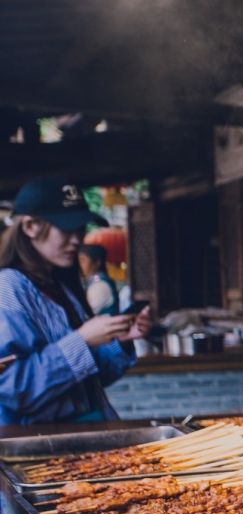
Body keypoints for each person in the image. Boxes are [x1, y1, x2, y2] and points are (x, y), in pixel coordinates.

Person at [0, 178, 152, 424]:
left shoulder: (61, 287)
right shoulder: (8, 288)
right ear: (30, 226)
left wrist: (120, 342)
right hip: (38, 448)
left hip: (82, 439)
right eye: (66, 228)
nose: (77, 239)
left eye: (80, 229)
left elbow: (90, 379)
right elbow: (12, 390)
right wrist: (81, 340)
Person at [78, 243, 119, 315]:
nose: (79, 265)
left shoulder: (100, 286)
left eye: (82, 260)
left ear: (97, 262)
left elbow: (85, 315)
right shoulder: (91, 283)